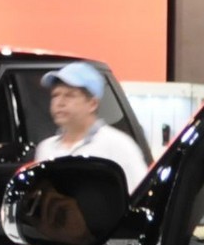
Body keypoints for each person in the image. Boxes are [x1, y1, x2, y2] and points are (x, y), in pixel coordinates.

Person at [28, 60, 148, 190]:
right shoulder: (46, 148)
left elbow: (140, 196)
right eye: (55, 95)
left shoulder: (118, 145)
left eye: (69, 95)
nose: (59, 102)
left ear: (92, 104)